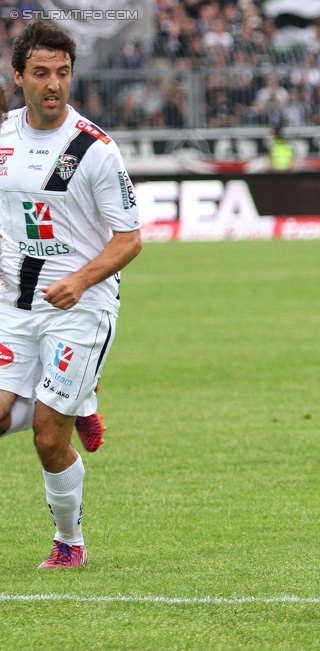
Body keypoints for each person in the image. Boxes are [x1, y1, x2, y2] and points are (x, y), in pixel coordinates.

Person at [0, 22, 142, 568]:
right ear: (19, 77)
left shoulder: (95, 150)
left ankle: (70, 543)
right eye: (41, 73)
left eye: (62, 72)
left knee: (45, 435)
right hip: (16, 304)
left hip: (81, 307)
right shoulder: (4, 134)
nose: (53, 83)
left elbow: (129, 240)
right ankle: (81, 396)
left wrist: (80, 280)